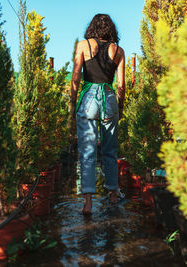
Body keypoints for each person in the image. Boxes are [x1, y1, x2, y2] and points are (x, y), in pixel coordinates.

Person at [70, 14, 126, 215]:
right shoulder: (118, 51)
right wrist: (120, 107)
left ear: (92, 27)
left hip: (89, 100)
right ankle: (112, 195)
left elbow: (75, 78)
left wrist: (72, 105)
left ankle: (87, 204)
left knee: (87, 153)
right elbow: (120, 85)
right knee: (110, 151)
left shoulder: (83, 46)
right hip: (109, 98)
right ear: (111, 29)